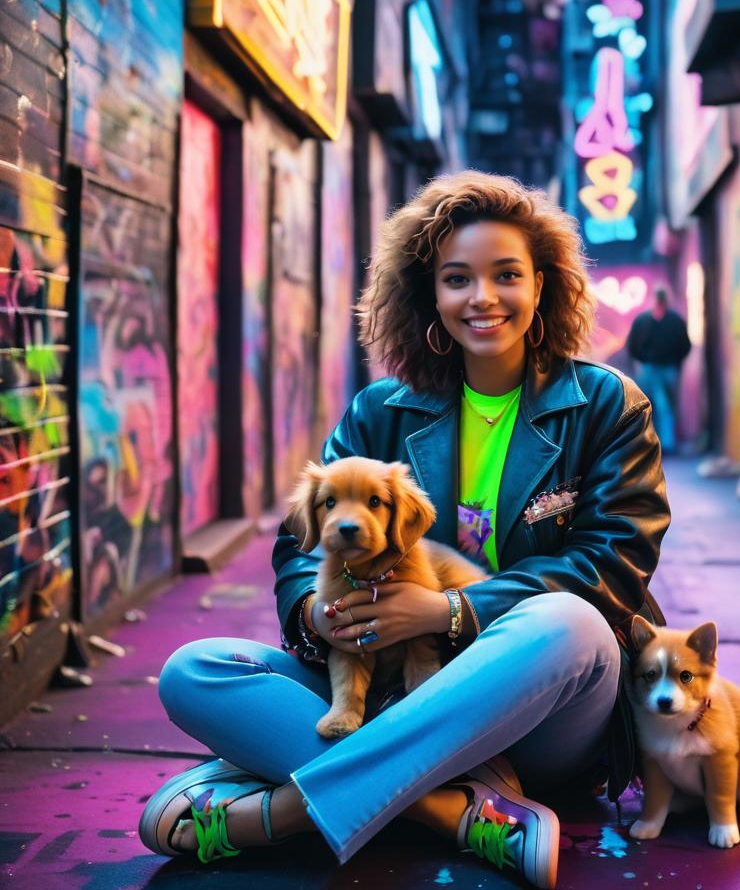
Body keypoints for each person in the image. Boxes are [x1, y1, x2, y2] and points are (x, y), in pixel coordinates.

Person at [140, 172, 669, 888]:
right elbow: (301, 545)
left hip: (538, 712)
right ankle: (451, 810)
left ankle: (288, 811)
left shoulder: (606, 405)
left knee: (570, 622)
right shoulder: (380, 411)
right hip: (386, 682)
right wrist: (317, 615)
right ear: (431, 295)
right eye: (457, 279)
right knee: (195, 671)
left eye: (506, 275)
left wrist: (452, 610)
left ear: (542, 284)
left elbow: (615, 565)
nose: (482, 298)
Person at [626, 286, 691, 456]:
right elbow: (685, 345)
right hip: (661, 368)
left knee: (651, 406)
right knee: (661, 406)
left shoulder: (643, 320)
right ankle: (662, 444)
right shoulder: (675, 320)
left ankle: (653, 444)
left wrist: (643, 359)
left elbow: (632, 346)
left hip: (653, 368)